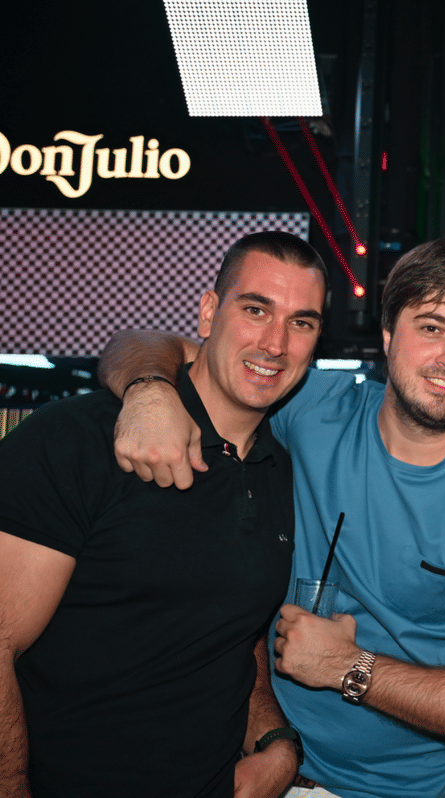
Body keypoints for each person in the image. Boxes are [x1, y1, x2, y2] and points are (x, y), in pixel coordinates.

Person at [98, 236, 445, 798]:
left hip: (394, 790)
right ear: (388, 335)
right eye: (431, 327)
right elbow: (145, 343)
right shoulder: (312, 406)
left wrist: (348, 666)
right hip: (253, 753)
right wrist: (148, 391)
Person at [0, 231, 327, 798]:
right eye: (255, 310)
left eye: (301, 322)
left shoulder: (279, 470)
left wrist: (277, 742)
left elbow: (231, 630)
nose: (275, 343)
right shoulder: (78, 439)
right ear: (208, 312)